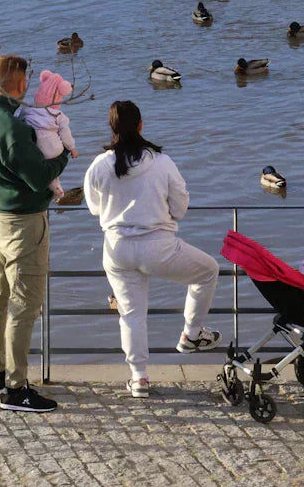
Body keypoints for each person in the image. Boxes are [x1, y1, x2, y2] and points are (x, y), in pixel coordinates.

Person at [84, 99, 220, 397]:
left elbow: (95, 209)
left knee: (131, 315)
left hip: (117, 250)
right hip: (159, 248)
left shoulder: (99, 166)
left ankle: (139, 378)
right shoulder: (162, 162)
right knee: (208, 271)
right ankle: (192, 334)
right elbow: (181, 207)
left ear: (112, 128)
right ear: (141, 125)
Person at [0, 53, 69, 413]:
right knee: (25, 304)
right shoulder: (14, 128)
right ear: (20, 85)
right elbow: (40, 175)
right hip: (24, 220)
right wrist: (64, 156)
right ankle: (16, 387)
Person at [16, 69, 77, 200]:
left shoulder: (28, 108)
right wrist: (72, 148)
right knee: (53, 165)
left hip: (35, 147)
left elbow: (20, 121)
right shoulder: (58, 115)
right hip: (53, 148)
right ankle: (57, 189)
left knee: (45, 166)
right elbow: (65, 133)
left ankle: (53, 188)